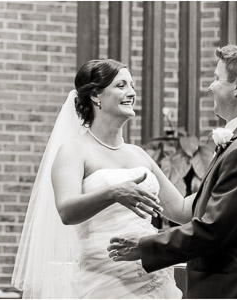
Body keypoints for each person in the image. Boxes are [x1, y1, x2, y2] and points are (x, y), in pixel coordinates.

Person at [13, 59, 188, 298]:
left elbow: (181, 210)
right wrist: (112, 193)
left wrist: (220, 173)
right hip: (105, 279)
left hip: (152, 275)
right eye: (122, 85)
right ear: (96, 95)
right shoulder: (74, 151)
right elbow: (66, 211)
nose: (132, 92)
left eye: (133, 86)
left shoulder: (139, 154)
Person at [109, 45, 237, 298]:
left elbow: (213, 229)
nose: (210, 86)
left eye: (216, 78)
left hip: (232, 289)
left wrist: (144, 246)